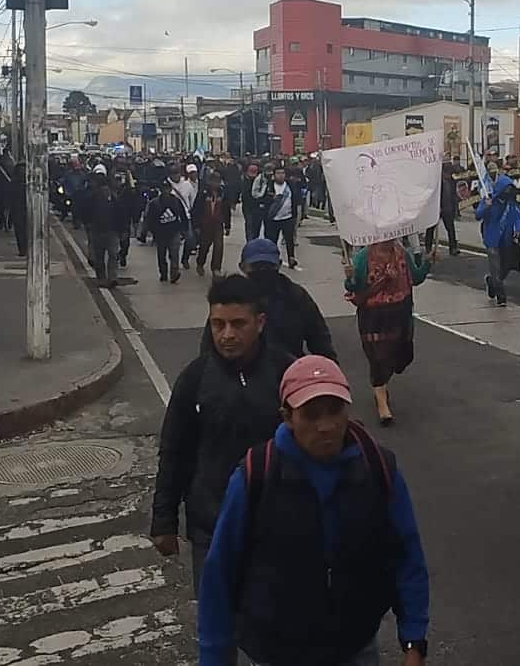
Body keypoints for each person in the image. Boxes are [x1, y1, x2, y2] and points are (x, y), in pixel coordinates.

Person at [196, 355, 430, 666]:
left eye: (335, 411)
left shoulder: (376, 468)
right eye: (311, 414)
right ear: (287, 417)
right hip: (276, 651)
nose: (326, 426)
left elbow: (406, 555)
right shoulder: (257, 475)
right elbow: (220, 572)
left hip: (354, 647)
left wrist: (414, 640)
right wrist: (213, 657)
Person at [150, 275, 296, 588]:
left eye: (237, 324)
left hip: (278, 526)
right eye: (218, 324)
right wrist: (164, 520)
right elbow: (174, 448)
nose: (227, 335)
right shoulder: (195, 378)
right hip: (211, 526)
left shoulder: (287, 373)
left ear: (259, 323)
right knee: (217, 624)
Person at [345, 239, 430, 426]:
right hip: (374, 317)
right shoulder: (363, 258)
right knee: (378, 358)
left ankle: (384, 381)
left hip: (400, 314)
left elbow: (415, 278)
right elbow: (354, 286)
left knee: (402, 356)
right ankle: (382, 401)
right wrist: (350, 278)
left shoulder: (402, 253)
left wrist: (428, 263)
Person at [475, 168, 520, 307]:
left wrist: (518, 230)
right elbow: (478, 215)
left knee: (505, 268)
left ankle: (492, 281)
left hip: (506, 239)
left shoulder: (511, 203)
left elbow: (517, 217)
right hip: (492, 239)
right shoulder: (489, 200)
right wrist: (486, 207)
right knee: (495, 267)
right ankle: (501, 296)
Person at [144, 180, 191, 284]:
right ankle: (163, 273)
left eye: (167, 188)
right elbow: (149, 219)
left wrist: (184, 229)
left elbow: (183, 216)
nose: (166, 191)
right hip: (160, 234)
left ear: (170, 189)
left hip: (174, 232)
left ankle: (174, 274)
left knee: (174, 254)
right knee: (162, 255)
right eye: (164, 189)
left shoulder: (176, 201)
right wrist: (152, 232)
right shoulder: (154, 203)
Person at [191, 170, 232, 277]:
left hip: (218, 225)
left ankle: (216, 268)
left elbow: (226, 210)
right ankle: (200, 263)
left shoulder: (223, 193)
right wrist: (196, 225)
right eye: (213, 181)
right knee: (204, 246)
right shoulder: (203, 193)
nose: (216, 184)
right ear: (209, 181)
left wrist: (227, 226)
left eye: (218, 181)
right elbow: (196, 210)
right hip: (205, 225)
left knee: (219, 247)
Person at [260, 165, 299, 270]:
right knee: (272, 240)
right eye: (278, 173)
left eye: (282, 173)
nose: (281, 176)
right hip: (273, 219)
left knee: (289, 239)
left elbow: (295, 199)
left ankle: (291, 257)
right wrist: (272, 199)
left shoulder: (290, 186)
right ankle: (273, 258)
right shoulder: (269, 186)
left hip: (288, 217)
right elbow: (262, 200)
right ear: (274, 175)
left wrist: (295, 214)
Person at [173, 164, 200, 268]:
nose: (194, 175)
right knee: (185, 238)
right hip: (182, 215)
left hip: (193, 214)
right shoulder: (185, 185)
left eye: (195, 172)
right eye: (191, 173)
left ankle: (185, 257)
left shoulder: (200, 183)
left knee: (192, 238)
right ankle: (180, 260)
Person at [240, 162, 266, 241]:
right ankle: (250, 241)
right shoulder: (244, 180)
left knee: (257, 225)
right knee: (249, 223)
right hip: (247, 206)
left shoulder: (261, 180)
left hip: (258, 206)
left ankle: (254, 239)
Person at [0, 152, 15, 232]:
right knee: (11, 207)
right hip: (10, 189)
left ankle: (1, 221)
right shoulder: (12, 163)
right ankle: (10, 223)